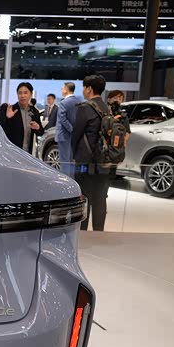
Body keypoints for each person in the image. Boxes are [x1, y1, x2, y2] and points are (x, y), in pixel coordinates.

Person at [71, 74, 111, 232]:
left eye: (84, 87)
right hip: (105, 163)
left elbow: (76, 135)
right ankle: (99, 232)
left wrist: (74, 155)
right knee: (100, 198)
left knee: (84, 197)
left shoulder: (85, 108)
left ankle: (83, 232)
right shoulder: (107, 109)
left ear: (89, 89)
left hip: (85, 162)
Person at [0, 82, 44, 152]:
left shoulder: (34, 112)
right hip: (12, 152)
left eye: (25, 93)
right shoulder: (11, 109)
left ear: (31, 94)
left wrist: (37, 127)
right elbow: (0, 130)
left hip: (27, 153)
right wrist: (8, 118)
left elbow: (40, 132)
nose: (22, 96)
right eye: (20, 93)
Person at [56, 82, 82, 178]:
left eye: (62, 88)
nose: (61, 90)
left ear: (66, 89)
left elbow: (62, 118)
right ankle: (72, 182)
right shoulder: (78, 101)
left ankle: (65, 183)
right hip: (74, 137)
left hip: (64, 136)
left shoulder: (64, 102)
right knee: (71, 162)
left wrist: (71, 129)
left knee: (64, 162)